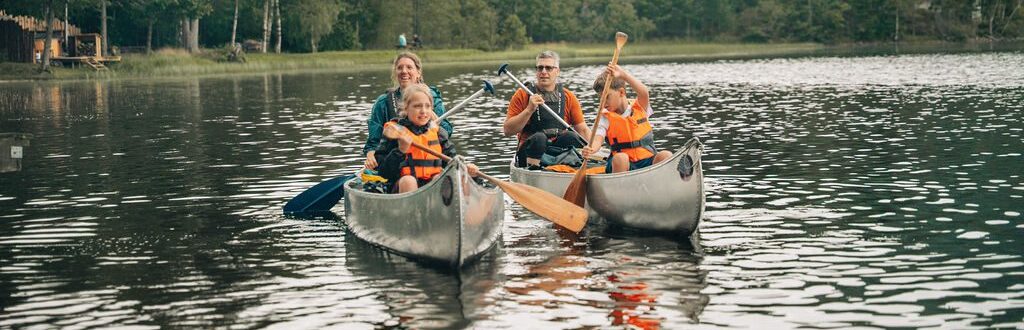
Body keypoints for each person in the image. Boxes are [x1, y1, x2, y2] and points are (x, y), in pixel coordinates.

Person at [375, 84, 479, 193]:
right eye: (417, 106)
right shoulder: (395, 132)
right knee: (408, 181)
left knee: (440, 178)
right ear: (406, 108)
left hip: (432, 187)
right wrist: (400, 151)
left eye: (427, 106)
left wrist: (466, 169)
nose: (423, 111)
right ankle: (412, 210)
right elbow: (383, 172)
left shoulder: (439, 133)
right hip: (401, 189)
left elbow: (452, 163)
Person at [502, 51, 591, 169]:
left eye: (548, 68)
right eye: (540, 68)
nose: (543, 72)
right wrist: (529, 110)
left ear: (557, 71)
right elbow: (508, 131)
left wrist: (593, 148)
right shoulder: (522, 95)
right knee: (539, 138)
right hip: (530, 151)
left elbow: (583, 130)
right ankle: (533, 170)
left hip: (557, 150)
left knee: (571, 136)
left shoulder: (568, 96)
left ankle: (569, 168)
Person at [363, 52, 452, 170]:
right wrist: (370, 156)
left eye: (409, 67)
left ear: (418, 72)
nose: (404, 71)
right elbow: (373, 142)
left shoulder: (432, 97)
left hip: (431, 160)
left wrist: (430, 114)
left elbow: (447, 131)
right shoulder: (383, 102)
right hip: (397, 161)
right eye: (400, 68)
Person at [582, 63, 672, 173]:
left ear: (621, 92)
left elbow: (643, 92)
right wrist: (591, 149)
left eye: (607, 97)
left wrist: (624, 75)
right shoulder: (605, 117)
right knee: (621, 158)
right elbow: (597, 139)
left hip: (647, 161)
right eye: (600, 98)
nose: (603, 102)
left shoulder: (640, 107)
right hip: (621, 164)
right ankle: (621, 188)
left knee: (666, 155)